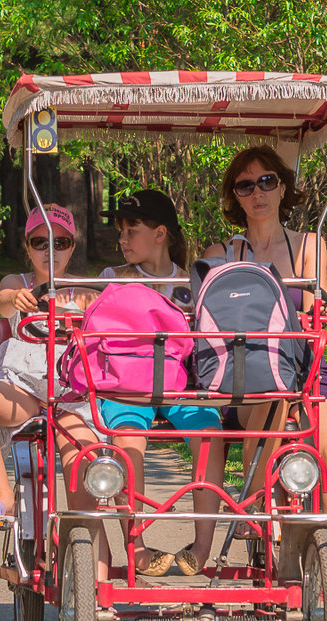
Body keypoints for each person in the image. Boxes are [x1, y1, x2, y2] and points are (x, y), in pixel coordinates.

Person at [203, 145, 327, 621]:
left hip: (304, 369)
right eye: (245, 185)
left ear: (283, 187)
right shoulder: (221, 254)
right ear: (234, 196)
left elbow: (315, 312)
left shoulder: (308, 247)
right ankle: (262, 511)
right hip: (248, 378)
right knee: (268, 412)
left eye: (267, 182)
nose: (257, 193)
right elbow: (207, 317)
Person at [0, 204, 110, 580]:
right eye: (40, 241)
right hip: (23, 391)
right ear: (27, 246)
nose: (50, 250)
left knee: (85, 484)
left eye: (60, 242)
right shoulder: (18, 282)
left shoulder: (86, 292)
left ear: (73, 246)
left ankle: (99, 594)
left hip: (70, 399)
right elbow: (4, 300)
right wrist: (17, 299)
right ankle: (4, 495)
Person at [99, 189, 225, 577]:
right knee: (127, 440)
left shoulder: (194, 282)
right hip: (127, 383)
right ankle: (134, 544)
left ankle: (201, 547)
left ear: (160, 234)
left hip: (178, 382)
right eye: (120, 230)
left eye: (131, 229)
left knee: (209, 436)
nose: (122, 240)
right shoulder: (110, 279)